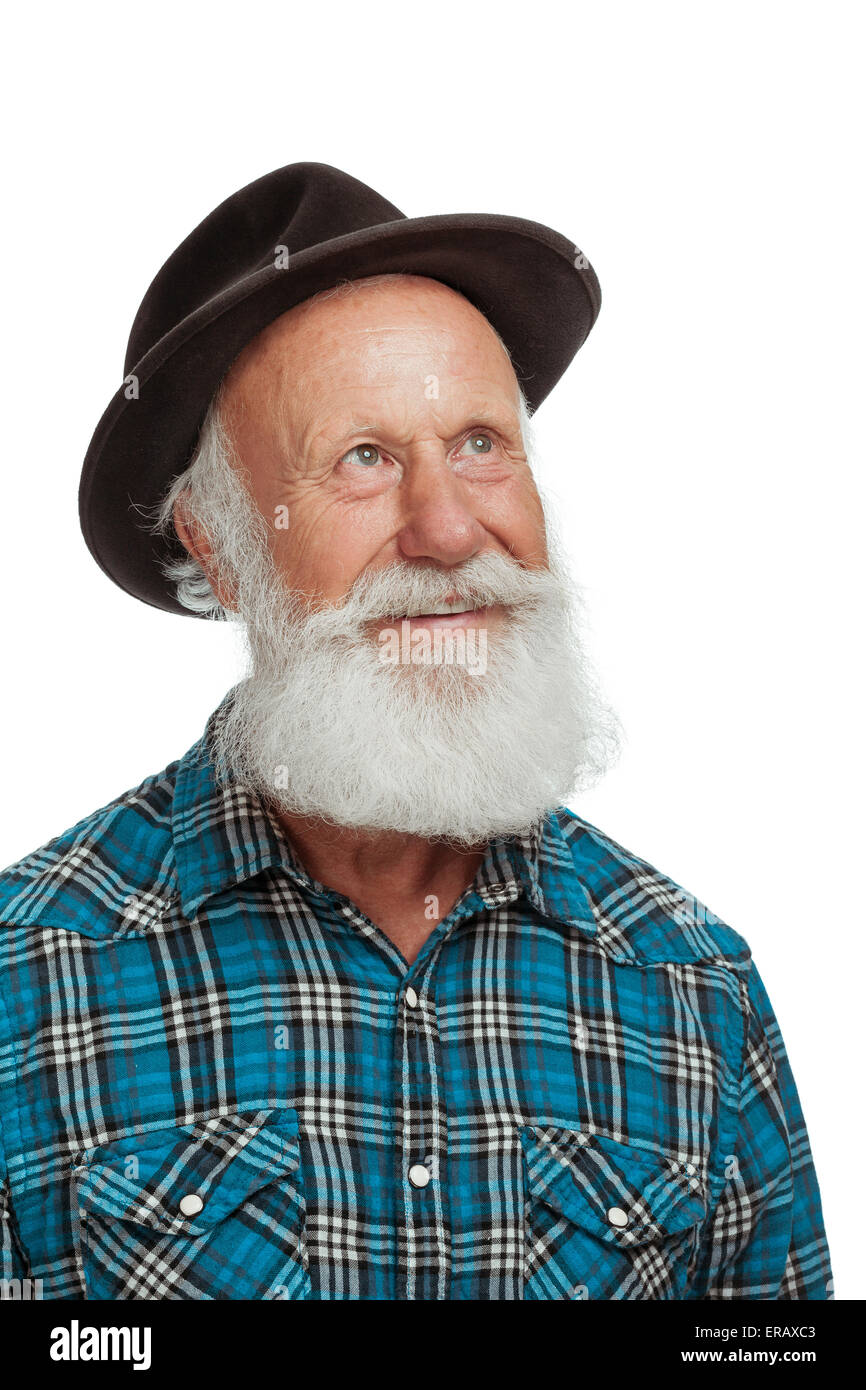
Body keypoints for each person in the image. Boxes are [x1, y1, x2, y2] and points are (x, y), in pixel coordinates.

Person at [0, 163, 832, 1300]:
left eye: (481, 444)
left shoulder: (692, 985)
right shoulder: (27, 978)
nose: (447, 529)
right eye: (363, 459)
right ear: (220, 545)